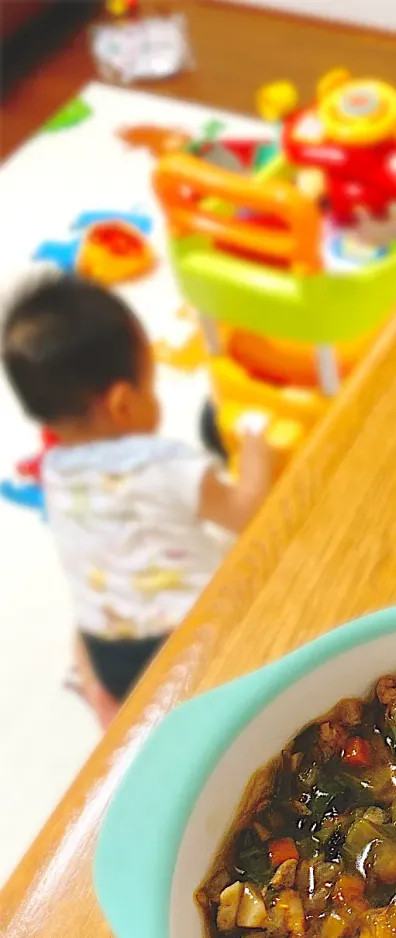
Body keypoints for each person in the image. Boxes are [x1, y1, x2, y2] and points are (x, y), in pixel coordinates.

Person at [1, 273, 279, 725]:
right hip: (191, 647)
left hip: (110, 658)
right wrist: (254, 439)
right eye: (151, 388)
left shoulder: (52, 472)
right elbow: (247, 512)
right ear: (122, 404)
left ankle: (104, 700)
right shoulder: (165, 463)